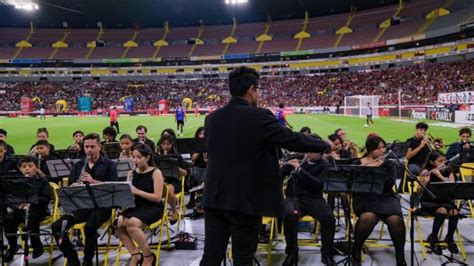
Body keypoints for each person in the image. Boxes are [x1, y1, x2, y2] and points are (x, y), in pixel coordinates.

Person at [200, 66, 331, 265]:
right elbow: (292, 139)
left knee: (210, 257)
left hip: (214, 198)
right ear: (252, 89)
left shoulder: (211, 119)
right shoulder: (259, 116)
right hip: (244, 201)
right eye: (259, 89)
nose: (259, 94)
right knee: (243, 258)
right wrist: (324, 145)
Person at [52, 133, 118, 266]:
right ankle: (72, 258)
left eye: (92, 146)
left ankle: (88, 260)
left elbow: (113, 187)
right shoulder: (79, 165)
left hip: (102, 205)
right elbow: (70, 187)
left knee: (90, 226)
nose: (89, 150)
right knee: (57, 226)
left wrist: (93, 181)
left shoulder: (110, 165)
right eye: (86, 146)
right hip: (82, 205)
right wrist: (74, 186)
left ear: (99, 146)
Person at [352, 135, 406, 266]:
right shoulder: (357, 163)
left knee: (396, 220)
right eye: (379, 148)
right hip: (365, 197)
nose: (383, 151)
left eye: (384, 147)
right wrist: (371, 168)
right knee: (368, 218)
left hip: (386, 197)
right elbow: (354, 183)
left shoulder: (389, 164)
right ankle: (356, 251)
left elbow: (389, 183)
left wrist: (378, 168)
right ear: (371, 150)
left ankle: (400, 256)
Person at [281, 139, 336, 265]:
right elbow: (279, 177)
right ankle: (291, 253)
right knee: (289, 215)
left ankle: (327, 254)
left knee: (329, 218)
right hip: (295, 198)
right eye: (309, 150)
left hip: (314, 198)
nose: (310, 153)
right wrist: (283, 167)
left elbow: (318, 184)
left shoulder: (324, 165)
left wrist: (300, 170)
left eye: (315, 151)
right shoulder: (295, 158)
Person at [116, 144, 164, 266]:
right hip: (136, 205)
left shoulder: (156, 172)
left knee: (132, 224)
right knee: (118, 223)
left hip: (153, 207)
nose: (135, 160)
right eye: (134, 157)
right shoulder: (131, 173)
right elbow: (129, 195)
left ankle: (148, 256)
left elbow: (158, 198)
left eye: (139, 157)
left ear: (147, 157)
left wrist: (137, 191)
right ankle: (135, 254)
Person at [3, 156, 51, 262]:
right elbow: (9, 198)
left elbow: (46, 197)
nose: (27, 169)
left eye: (30, 166)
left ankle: (37, 245)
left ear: (36, 168)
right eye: (24, 167)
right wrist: (17, 205)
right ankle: (12, 246)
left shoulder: (42, 181)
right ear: (20, 169)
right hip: (20, 209)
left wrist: (32, 203)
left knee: (32, 217)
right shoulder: (14, 181)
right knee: (8, 218)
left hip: (38, 209)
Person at [419, 151, 459, 255]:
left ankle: (449, 238)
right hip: (430, 201)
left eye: (444, 160)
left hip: (445, 200)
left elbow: (452, 186)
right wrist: (425, 181)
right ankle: (434, 238)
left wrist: (440, 176)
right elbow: (418, 191)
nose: (443, 163)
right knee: (442, 210)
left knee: (454, 212)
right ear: (432, 162)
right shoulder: (426, 171)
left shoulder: (449, 171)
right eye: (440, 161)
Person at [156, 134, 188, 222]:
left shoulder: (177, 156)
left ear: (172, 144)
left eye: (168, 144)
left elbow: (185, 173)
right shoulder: (157, 157)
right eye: (163, 144)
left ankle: (174, 211)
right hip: (160, 181)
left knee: (168, 189)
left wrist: (176, 167)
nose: (166, 146)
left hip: (174, 182)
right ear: (160, 145)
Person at [187, 127, 207, 217]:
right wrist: (200, 149)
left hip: (207, 169)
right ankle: (192, 200)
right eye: (200, 134)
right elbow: (193, 159)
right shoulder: (195, 144)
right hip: (197, 168)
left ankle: (203, 204)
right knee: (193, 175)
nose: (202, 135)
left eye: (204, 134)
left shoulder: (210, 144)